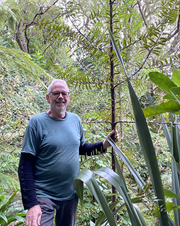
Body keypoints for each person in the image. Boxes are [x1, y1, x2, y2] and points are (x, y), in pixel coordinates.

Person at [18, 79, 118, 226]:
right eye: (56, 93)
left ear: (69, 97)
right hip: (43, 194)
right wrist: (32, 203)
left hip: (70, 194)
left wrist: (104, 145)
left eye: (64, 93)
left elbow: (80, 148)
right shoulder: (36, 123)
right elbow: (25, 164)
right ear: (48, 97)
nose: (60, 96)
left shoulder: (75, 120)